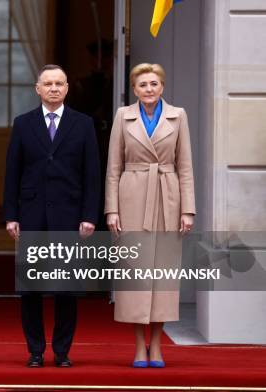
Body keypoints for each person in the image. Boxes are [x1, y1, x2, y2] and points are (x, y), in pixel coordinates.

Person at [3, 64, 100, 368]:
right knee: (30, 289)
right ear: (38, 89)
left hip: (70, 217)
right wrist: (11, 215)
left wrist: (89, 216)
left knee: (66, 290)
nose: (54, 88)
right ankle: (34, 351)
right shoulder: (23, 124)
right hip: (31, 215)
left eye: (60, 83)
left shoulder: (83, 124)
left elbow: (92, 174)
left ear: (67, 88)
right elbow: (12, 173)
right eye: (48, 83)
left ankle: (61, 352)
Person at [104, 63, 195, 368]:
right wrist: (112, 209)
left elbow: (185, 167)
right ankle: (139, 345)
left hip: (168, 199)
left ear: (163, 86)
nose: (149, 89)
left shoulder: (178, 116)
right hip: (132, 198)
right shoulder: (123, 116)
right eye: (143, 84)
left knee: (164, 276)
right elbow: (113, 167)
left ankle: (157, 344)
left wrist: (187, 209)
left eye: (154, 83)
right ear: (134, 88)